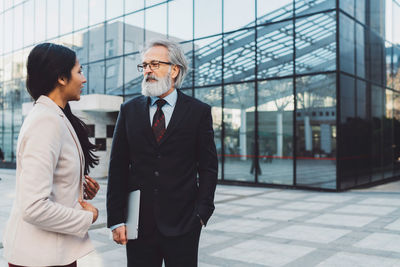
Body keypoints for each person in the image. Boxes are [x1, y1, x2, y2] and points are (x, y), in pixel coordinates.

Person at [107, 39, 218, 267]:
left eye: (155, 64)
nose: (147, 70)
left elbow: (208, 166)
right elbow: (117, 166)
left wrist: (202, 212)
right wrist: (116, 219)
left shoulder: (198, 112)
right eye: (145, 65)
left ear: (174, 70)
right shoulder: (129, 110)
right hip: (138, 223)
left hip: (184, 223)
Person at [3, 43, 100, 267]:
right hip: (40, 257)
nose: (83, 79)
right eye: (79, 71)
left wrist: (77, 186)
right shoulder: (46, 121)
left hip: (53, 254)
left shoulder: (55, 116)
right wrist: (89, 216)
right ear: (61, 78)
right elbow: (33, 207)